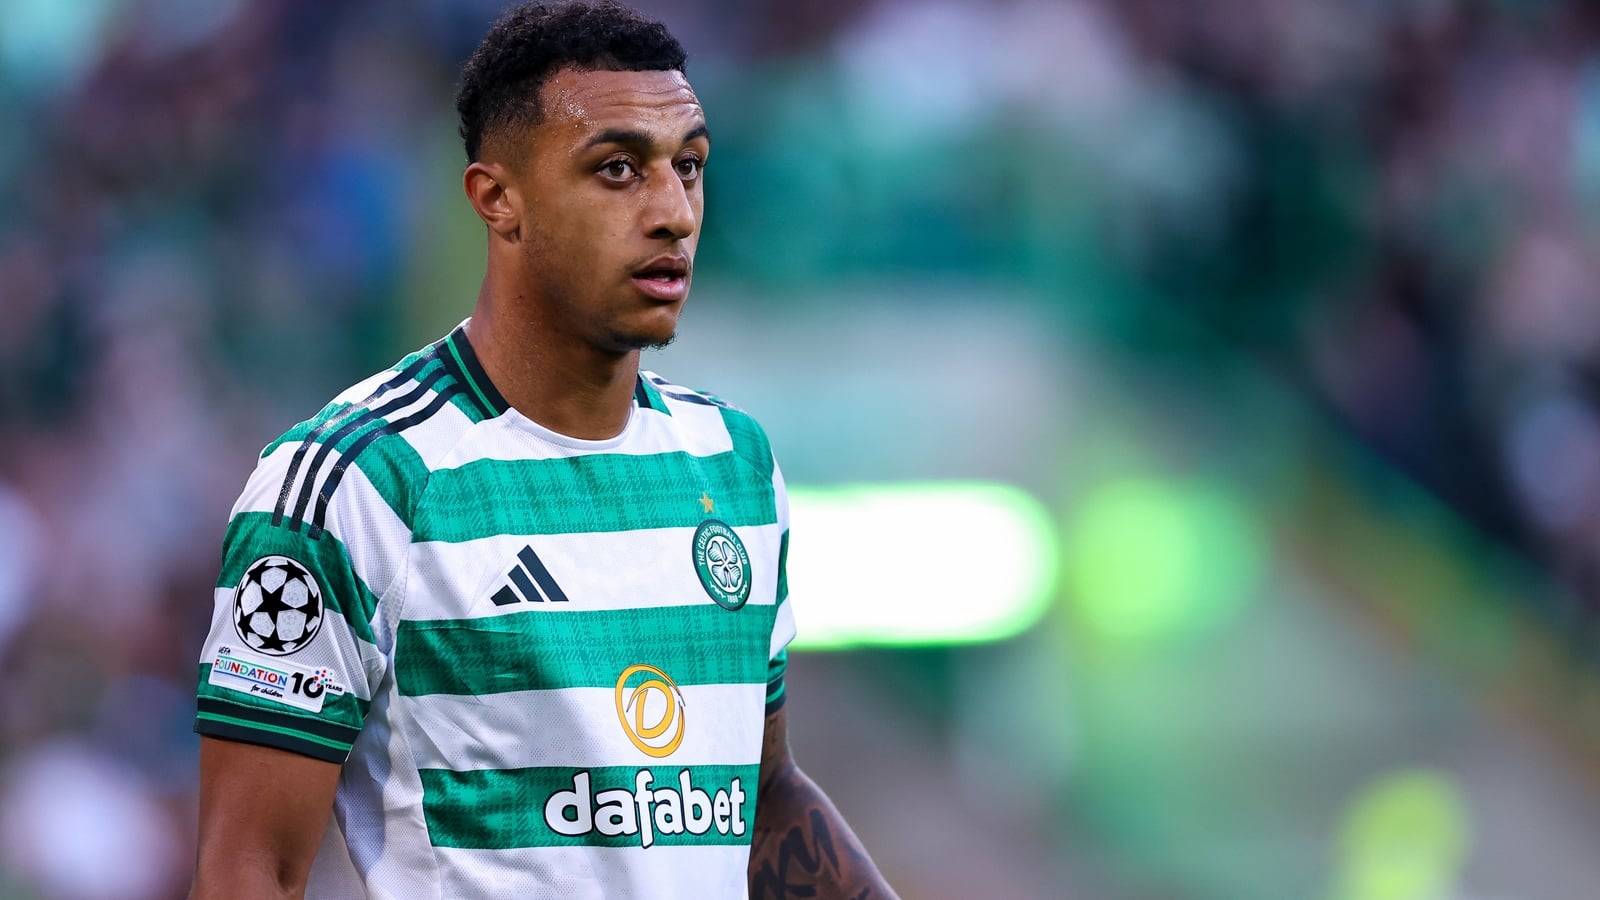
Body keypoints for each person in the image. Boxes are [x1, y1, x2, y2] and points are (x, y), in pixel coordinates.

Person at [189, 2, 899, 898]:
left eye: (688, 166)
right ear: (499, 199)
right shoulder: (356, 483)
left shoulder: (735, 463)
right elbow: (251, 867)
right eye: (617, 170)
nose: (673, 213)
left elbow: (764, 796)